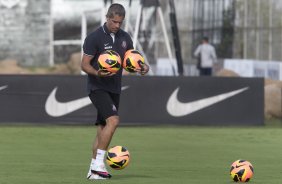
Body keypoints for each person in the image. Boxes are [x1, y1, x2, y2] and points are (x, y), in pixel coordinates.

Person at [81, 3, 149, 180]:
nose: (117, 25)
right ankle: (98, 166)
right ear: (107, 17)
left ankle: (92, 171)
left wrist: (142, 67)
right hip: (97, 87)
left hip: (114, 88)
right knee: (113, 121)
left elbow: (131, 61)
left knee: (103, 128)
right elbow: (84, 65)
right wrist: (97, 73)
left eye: (120, 22)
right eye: (114, 22)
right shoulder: (94, 37)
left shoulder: (125, 37)